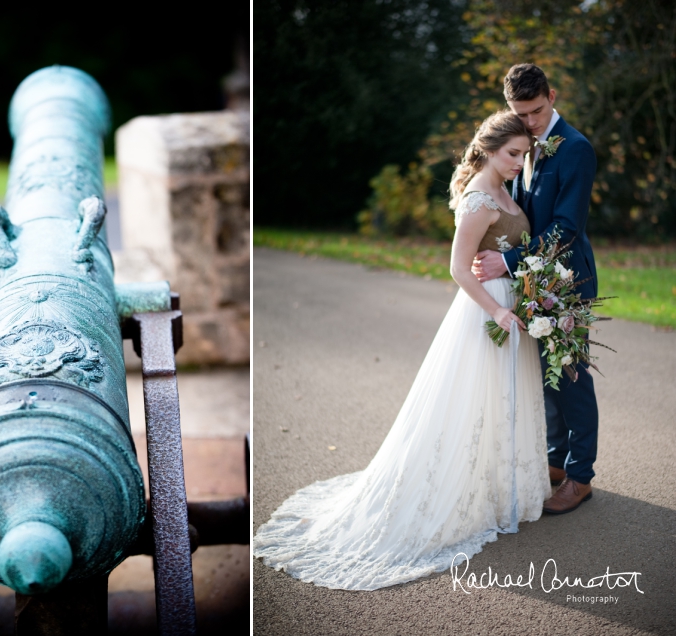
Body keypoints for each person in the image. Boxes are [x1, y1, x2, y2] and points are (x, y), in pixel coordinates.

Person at [253, 110, 551, 590]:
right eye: (513, 154)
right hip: (485, 312)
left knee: (503, 400)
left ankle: (501, 490)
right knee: (470, 402)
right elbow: (457, 268)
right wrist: (496, 312)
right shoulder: (479, 198)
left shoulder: (504, 188)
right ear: (490, 149)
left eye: (524, 154)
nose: (520, 162)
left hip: (511, 302)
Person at [473, 64, 599, 515]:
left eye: (536, 110)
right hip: (533, 279)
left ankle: (581, 476)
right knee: (544, 379)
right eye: (519, 113)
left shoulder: (577, 150)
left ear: (552, 94)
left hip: (569, 282)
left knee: (570, 378)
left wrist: (506, 262)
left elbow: (566, 227)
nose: (529, 122)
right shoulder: (525, 143)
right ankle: (554, 463)